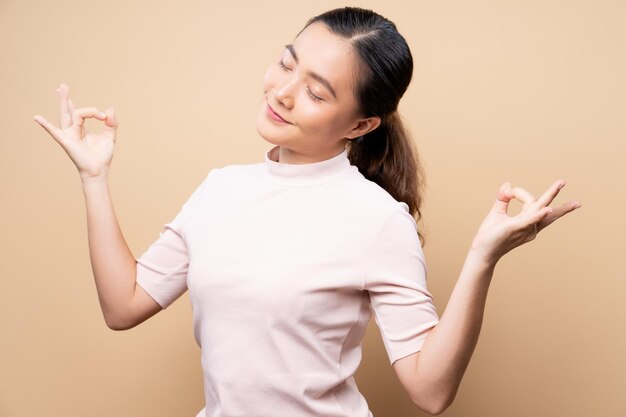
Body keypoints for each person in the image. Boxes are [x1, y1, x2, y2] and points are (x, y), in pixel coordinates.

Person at [33, 6, 581, 417]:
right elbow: (124, 305)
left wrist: (483, 257)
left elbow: (430, 391)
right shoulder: (220, 190)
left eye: (317, 93)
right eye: (285, 64)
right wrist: (93, 177)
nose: (283, 93)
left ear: (360, 125)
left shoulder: (376, 219)